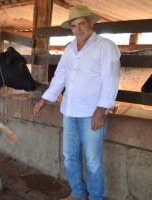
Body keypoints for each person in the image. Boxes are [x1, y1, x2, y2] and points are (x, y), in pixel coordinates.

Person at [33, 5, 120, 200]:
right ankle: (78, 193)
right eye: (74, 26)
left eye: (82, 24)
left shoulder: (105, 46)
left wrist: (101, 110)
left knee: (93, 160)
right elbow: (60, 75)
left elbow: (111, 79)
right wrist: (45, 99)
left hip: (91, 112)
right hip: (69, 112)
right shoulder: (70, 48)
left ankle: (96, 197)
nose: (78, 29)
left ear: (91, 23)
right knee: (70, 157)